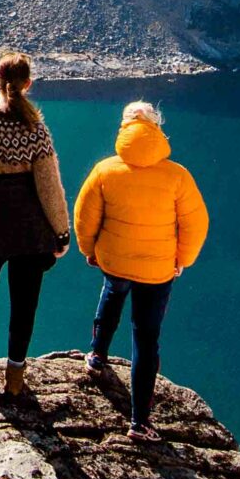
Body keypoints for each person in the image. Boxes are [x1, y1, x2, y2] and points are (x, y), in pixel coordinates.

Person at [73, 100, 209, 440]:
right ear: (156, 128)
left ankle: (96, 356)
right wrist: (183, 259)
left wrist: (90, 251)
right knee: (146, 339)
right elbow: (196, 223)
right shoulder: (177, 175)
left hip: (114, 260)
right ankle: (139, 422)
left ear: (124, 129)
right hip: (157, 269)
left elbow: (84, 215)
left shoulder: (105, 170)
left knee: (111, 296)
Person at [0, 51, 69, 398]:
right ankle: (15, 377)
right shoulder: (35, 130)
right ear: (28, 84)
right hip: (28, 226)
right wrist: (61, 233)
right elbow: (49, 187)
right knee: (24, 302)